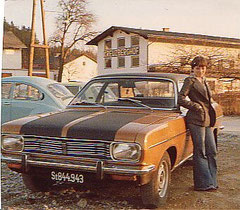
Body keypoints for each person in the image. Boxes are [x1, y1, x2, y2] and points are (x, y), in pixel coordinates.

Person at [178, 56, 218, 191]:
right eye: (197, 68)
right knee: (200, 151)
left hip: (207, 119)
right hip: (195, 119)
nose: (200, 70)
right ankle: (203, 184)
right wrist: (195, 106)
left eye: (203, 68)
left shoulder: (205, 81)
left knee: (212, 150)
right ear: (193, 69)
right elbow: (181, 98)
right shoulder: (190, 81)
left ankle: (212, 181)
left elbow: (208, 100)